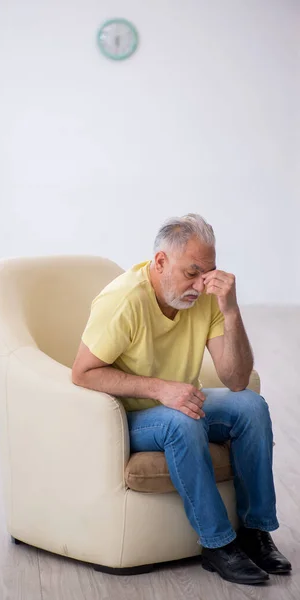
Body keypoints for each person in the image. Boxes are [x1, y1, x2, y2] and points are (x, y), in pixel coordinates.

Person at [72, 214, 291, 586]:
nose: (200, 284)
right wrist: (160, 389)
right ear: (160, 262)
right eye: (192, 272)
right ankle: (218, 544)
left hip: (182, 403)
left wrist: (231, 309)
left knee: (251, 406)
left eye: (208, 273)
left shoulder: (206, 299)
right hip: (133, 415)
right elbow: (83, 372)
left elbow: (236, 379)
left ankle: (255, 533)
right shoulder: (123, 301)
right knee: (182, 422)